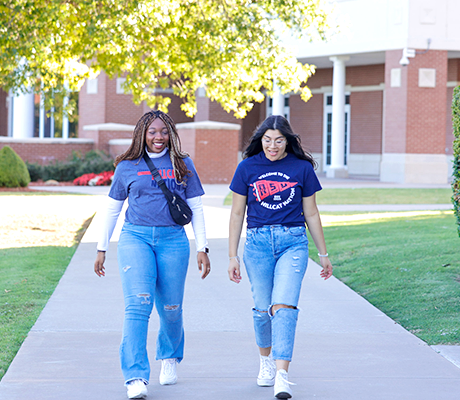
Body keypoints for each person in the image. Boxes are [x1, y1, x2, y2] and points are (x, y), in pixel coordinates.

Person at [94, 110, 211, 399]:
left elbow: (195, 207)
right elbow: (112, 208)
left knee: (171, 308)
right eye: (152, 132)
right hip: (136, 238)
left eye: (163, 131)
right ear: (142, 134)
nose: (158, 137)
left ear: (170, 133)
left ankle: (169, 356)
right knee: (137, 306)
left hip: (173, 240)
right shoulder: (128, 166)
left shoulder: (183, 164)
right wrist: (101, 247)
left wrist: (202, 247)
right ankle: (135, 377)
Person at [227, 115, 333, 399]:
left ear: (288, 141)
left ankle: (282, 375)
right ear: (260, 141)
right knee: (263, 310)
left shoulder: (301, 169)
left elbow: (311, 212)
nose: (272, 146)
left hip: (293, 242)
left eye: (279, 140)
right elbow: (237, 213)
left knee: (284, 308)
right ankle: (265, 361)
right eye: (267, 140)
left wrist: (323, 254)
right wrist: (232, 255)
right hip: (257, 244)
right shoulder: (247, 168)